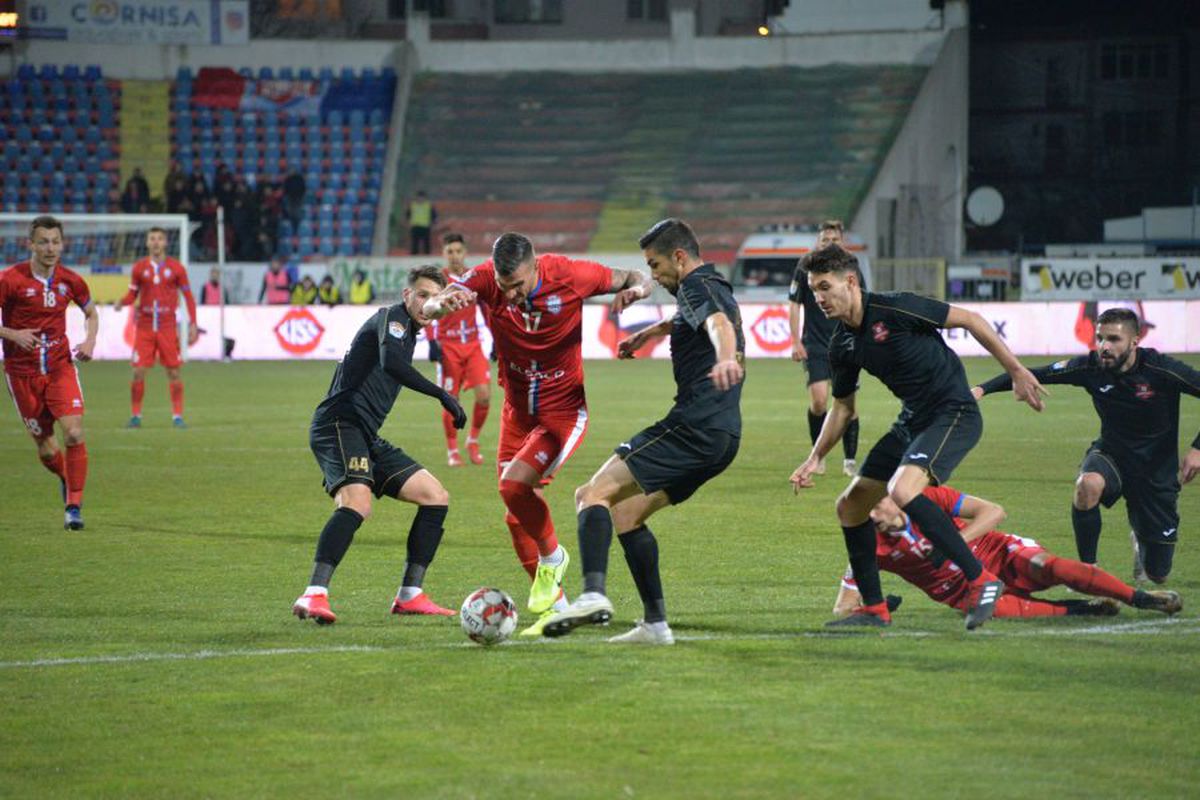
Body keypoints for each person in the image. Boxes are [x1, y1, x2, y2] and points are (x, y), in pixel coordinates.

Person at [788, 244, 1046, 630]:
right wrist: (815, 456)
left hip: (953, 412)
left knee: (904, 490)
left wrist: (1016, 371)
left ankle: (981, 580)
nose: (818, 298)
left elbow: (972, 319)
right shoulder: (841, 343)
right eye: (813, 290)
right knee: (851, 506)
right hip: (913, 420)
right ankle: (873, 609)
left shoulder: (897, 308)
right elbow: (842, 408)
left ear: (851, 282)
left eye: (825, 287)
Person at [421, 232, 651, 635]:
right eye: (503, 286)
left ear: (535, 268)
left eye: (518, 286)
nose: (509, 295)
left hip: (562, 412)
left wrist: (639, 290)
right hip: (517, 413)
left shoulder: (570, 274)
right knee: (516, 517)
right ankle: (554, 608)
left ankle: (553, 557)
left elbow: (634, 274)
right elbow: (439, 299)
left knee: (514, 488)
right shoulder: (487, 279)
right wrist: (439, 305)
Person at [540, 218, 745, 644]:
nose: (653, 275)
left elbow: (719, 326)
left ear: (680, 257)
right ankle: (655, 625)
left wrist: (726, 358)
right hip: (723, 436)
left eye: (655, 265)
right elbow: (697, 320)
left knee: (590, 494)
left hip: (694, 426)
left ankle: (592, 595)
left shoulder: (696, 287)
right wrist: (649, 333)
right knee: (626, 512)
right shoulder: (709, 286)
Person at [292, 265, 472, 625]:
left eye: (433, 298)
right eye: (421, 295)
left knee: (435, 496)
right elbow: (391, 364)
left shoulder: (412, 332)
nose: (425, 303)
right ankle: (313, 594)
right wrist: (442, 394)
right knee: (357, 502)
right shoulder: (392, 318)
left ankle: (410, 595)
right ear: (407, 296)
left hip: (365, 433)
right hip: (338, 423)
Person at [974, 308, 1200, 584]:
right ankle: (1087, 572)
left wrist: (1197, 449)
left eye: (1114, 339)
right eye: (1100, 338)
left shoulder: (1161, 369)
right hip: (1112, 455)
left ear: (1134, 341)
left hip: (1156, 472)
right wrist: (981, 389)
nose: (1104, 346)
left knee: (1157, 575)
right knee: (1087, 485)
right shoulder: (1091, 367)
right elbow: (1034, 373)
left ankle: (1141, 541)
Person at [832, 485, 1182, 620]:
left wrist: (956, 544)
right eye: (866, 514)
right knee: (995, 610)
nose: (873, 517)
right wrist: (875, 605)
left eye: (876, 506)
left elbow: (994, 511)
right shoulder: (868, 548)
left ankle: (1140, 598)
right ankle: (1078, 609)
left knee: (1045, 565)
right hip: (961, 591)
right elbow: (843, 607)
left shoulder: (927, 498)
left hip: (998, 553)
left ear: (891, 494)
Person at [0, 216, 98, 530]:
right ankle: (65, 477)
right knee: (45, 447)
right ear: (30, 244)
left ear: (62, 244)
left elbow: (91, 313)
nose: (50, 248)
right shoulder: (10, 279)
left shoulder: (71, 280)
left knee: (73, 432)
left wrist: (90, 339)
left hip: (59, 367)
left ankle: (73, 507)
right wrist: (12, 334)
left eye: (55, 241)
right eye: (43, 242)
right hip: (21, 373)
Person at [789, 220, 859, 477]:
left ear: (843, 241)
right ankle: (817, 456)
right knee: (819, 402)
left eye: (835, 240)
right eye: (825, 240)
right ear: (818, 242)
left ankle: (849, 460)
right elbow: (794, 304)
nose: (830, 244)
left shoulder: (851, 266)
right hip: (816, 343)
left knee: (849, 404)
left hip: (845, 340)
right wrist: (796, 341)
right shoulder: (805, 267)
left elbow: (859, 299)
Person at [114, 227, 199, 429]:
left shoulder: (177, 268)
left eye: (159, 239)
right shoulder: (139, 268)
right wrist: (121, 302)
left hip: (167, 325)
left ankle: (177, 417)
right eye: (152, 238)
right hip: (144, 326)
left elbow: (188, 297)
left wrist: (193, 323)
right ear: (147, 242)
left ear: (165, 243)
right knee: (138, 372)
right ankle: (136, 416)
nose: (156, 242)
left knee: (174, 372)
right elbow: (131, 295)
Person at [433, 233, 492, 467]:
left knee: (485, 396)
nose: (455, 256)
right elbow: (426, 310)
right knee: (451, 400)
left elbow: (486, 309)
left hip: (473, 345)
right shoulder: (438, 279)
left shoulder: (473, 277)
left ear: (465, 252)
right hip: (448, 347)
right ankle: (452, 450)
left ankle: (473, 441)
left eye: (458, 251)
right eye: (450, 252)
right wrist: (431, 342)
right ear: (444, 254)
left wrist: (496, 338)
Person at [406, 190, 437, 255]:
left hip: (425, 226)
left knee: (426, 242)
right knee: (415, 242)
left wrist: (433, 222)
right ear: (416, 198)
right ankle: (414, 255)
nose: (420, 199)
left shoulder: (428, 205)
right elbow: (408, 214)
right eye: (419, 197)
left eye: (422, 197)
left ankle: (427, 255)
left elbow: (433, 215)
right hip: (415, 226)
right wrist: (408, 222)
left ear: (425, 198)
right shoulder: (412, 205)